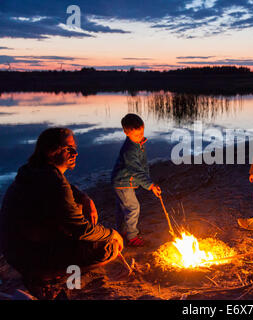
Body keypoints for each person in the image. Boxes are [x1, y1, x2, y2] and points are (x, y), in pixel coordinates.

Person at [0, 128, 123, 298]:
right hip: (28, 256)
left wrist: (84, 197)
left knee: (77, 208)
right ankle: (45, 276)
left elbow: (64, 188)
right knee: (109, 247)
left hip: (14, 251)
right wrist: (112, 234)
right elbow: (81, 230)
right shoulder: (54, 182)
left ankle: (44, 269)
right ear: (52, 151)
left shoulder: (34, 170)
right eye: (69, 149)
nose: (76, 153)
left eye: (75, 148)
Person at [111, 113, 161, 247]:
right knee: (133, 207)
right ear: (126, 133)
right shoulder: (129, 150)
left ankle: (122, 232)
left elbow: (142, 165)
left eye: (141, 133)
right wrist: (150, 185)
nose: (140, 137)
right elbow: (136, 170)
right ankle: (132, 236)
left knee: (123, 208)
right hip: (122, 183)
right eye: (137, 135)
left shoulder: (138, 143)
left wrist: (148, 180)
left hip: (124, 182)